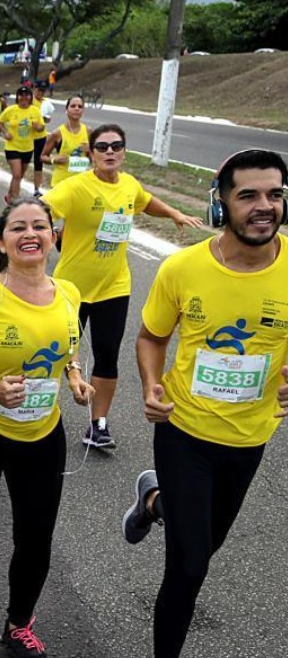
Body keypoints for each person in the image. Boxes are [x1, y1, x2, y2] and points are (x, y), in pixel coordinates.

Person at [124, 149, 288, 658]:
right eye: (248, 196)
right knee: (190, 566)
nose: (264, 206)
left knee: (204, 544)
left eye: (275, 195)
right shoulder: (183, 268)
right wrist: (152, 385)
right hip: (184, 431)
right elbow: (151, 338)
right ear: (221, 203)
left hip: (250, 435)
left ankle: (154, 502)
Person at [0, 196, 94, 658]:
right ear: (3, 241)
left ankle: (18, 623)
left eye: (40, 226)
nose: (31, 234)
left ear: (53, 236)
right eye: (19, 228)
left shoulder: (69, 293)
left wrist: (76, 378)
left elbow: (67, 349)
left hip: (43, 435)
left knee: (36, 534)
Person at [42, 124, 202, 449]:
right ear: (91, 154)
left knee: (107, 354)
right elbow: (41, 208)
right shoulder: (76, 188)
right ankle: (40, 413)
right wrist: (38, 236)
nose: (110, 152)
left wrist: (173, 213)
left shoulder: (128, 185)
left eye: (116, 146)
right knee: (55, 352)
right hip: (70, 287)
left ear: (125, 151)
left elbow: (145, 201)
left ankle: (98, 425)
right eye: (102, 147)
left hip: (114, 286)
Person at [0, 86, 43, 205]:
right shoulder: (11, 110)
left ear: (30, 97)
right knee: (17, 174)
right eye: (21, 95)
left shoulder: (35, 110)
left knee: (19, 176)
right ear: (17, 97)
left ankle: (9, 195)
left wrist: (37, 127)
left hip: (28, 148)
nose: (24, 97)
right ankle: (16, 201)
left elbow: (41, 127)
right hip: (12, 147)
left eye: (26, 95)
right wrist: (5, 132)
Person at [40, 96, 89, 189]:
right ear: (66, 109)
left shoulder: (88, 131)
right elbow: (43, 156)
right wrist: (54, 160)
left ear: (83, 111)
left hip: (81, 183)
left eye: (80, 106)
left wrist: (90, 151)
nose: (76, 109)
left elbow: (94, 157)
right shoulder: (57, 133)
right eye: (73, 106)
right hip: (61, 183)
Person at [30, 83, 55, 197]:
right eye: (39, 90)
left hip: (41, 136)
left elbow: (48, 120)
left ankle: (36, 189)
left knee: (38, 162)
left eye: (43, 91)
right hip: (28, 137)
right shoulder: (29, 100)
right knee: (23, 162)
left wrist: (44, 119)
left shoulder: (46, 103)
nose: (40, 93)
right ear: (34, 89)